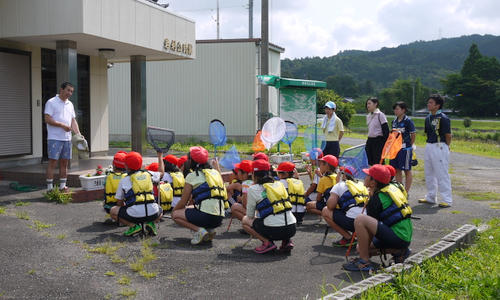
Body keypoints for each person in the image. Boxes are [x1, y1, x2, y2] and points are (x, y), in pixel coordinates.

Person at [343, 164, 412, 272]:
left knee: (360, 220)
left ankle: (364, 262)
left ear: (373, 182)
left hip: (398, 236)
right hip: (403, 236)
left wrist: (363, 250)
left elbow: (369, 229)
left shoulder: (377, 198)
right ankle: (399, 251)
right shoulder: (392, 187)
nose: (364, 177)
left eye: (367, 175)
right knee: (361, 248)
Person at [172, 146, 226, 245]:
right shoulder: (215, 173)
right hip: (220, 218)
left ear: (192, 161)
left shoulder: (192, 176)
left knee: (176, 215)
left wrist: (174, 210)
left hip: (206, 217)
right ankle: (209, 230)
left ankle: (200, 231)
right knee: (192, 207)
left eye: (189, 159)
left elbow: (183, 202)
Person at [242, 159, 297, 254]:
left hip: (274, 231)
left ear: (254, 174)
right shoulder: (279, 184)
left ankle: (267, 243)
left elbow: (250, 215)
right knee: (280, 215)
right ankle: (286, 241)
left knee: (245, 220)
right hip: (292, 228)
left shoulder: (253, 189)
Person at [110, 151, 162, 236]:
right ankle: (151, 223)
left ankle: (134, 226)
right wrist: (160, 156)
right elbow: (162, 173)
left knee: (113, 211)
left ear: (126, 166)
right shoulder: (149, 174)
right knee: (160, 209)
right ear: (141, 164)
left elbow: (119, 202)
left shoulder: (124, 180)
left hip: (134, 214)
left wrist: (126, 211)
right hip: (152, 214)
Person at [44, 82, 83, 192]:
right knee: (52, 162)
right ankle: (49, 188)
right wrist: (62, 125)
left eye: (71, 91)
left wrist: (78, 134)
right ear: (61, 89)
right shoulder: (51, 102)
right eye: (68, 90)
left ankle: (62, 186)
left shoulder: (70, 104)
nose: (70, 93)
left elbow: (73, 120)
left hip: (67, 138)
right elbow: (47, 119)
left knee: (65, 163)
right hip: (54, 138)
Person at [419, 94, 453, 208]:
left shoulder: (443, 118)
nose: (428, 104)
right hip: (429, 145)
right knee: (429, 173)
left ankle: (447, 199)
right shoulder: (428, 117)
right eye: (428, 102)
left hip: (440, 146)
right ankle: (431, 196)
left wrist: (446, 146)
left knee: (441, 173)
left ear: (438, 105)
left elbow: (448, 135)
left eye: (431, 103)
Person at [322, 166, 368, 247]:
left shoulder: (339, 185)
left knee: (325, 211)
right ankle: (358, 235)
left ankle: (348, 238)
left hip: (353, 222)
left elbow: (330, 206)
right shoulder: (362, 184)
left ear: (344, 175)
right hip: (367, 222)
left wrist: (336, 185)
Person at [389, 101, 416, 193]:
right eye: (394, 109)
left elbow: (413, 134)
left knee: (407, 169)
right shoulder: (394, 122)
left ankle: (406, 191)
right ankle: (399, 190)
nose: (395, 111)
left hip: (405, 149)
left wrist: (410, 145)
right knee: (397, 169)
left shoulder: (408, 121)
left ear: (403, 110)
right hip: (395, 149)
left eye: (397, 109)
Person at [103, 151, 127, 223]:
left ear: (114, 165)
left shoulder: (108, 176)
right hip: (124, 207)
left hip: (109, 207)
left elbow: (105, 189)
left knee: (105, 199)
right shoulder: (127, 177)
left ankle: (112, 216)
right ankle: (122, 219)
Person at [365, 97, 389, 166]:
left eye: (369, 103)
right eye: (367, 104)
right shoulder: (368, 116)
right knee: (369, 161)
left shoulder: (380, 115)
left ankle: (380, 176)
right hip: (370, 140)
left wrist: (383, 143)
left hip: (378, 141)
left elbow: (386, 130)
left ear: (375, 104)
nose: (367, 105)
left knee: (378, 161)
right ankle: (372, 176)